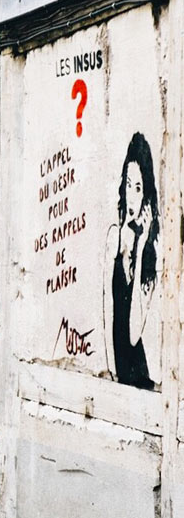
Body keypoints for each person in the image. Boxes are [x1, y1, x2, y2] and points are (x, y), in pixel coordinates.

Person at [103, 132, 159, 389]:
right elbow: (106, 311)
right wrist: (109, 372)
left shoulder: (149, 256)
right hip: (118, 375)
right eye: (128, 184)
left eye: (139, 187)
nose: (132, 195)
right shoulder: (113, 238)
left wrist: (142, 241)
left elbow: (135, 331)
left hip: (138, 379)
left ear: (146, 194)